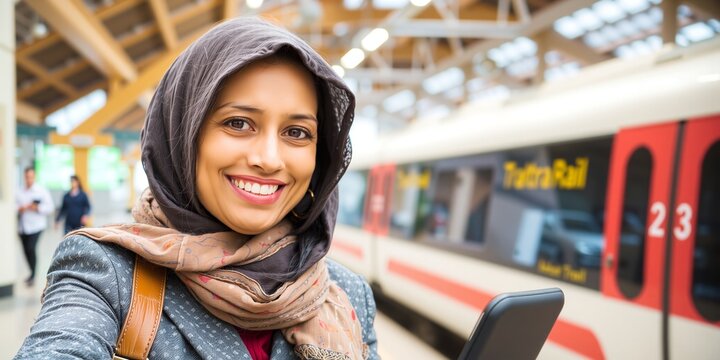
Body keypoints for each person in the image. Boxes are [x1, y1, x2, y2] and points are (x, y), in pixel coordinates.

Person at [15, 17, 377, 360]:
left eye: (296, 132)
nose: (268, 159)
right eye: (238, 123)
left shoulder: (348, 294)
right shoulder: (106, 275)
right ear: (184, 137)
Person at [15, 166, 54, 287]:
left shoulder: (41, 191)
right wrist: (20, 208)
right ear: (24, 177)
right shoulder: (19, 191)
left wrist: (37, 208)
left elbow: (50, 207)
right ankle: (31, 272)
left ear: (34, 177)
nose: (29, 179)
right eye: (27, 177)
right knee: (26, 251)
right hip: (23, 227)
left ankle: (33, 274)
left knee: (31, 248)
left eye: (31, 177)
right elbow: (13, 206)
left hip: (37, 226)